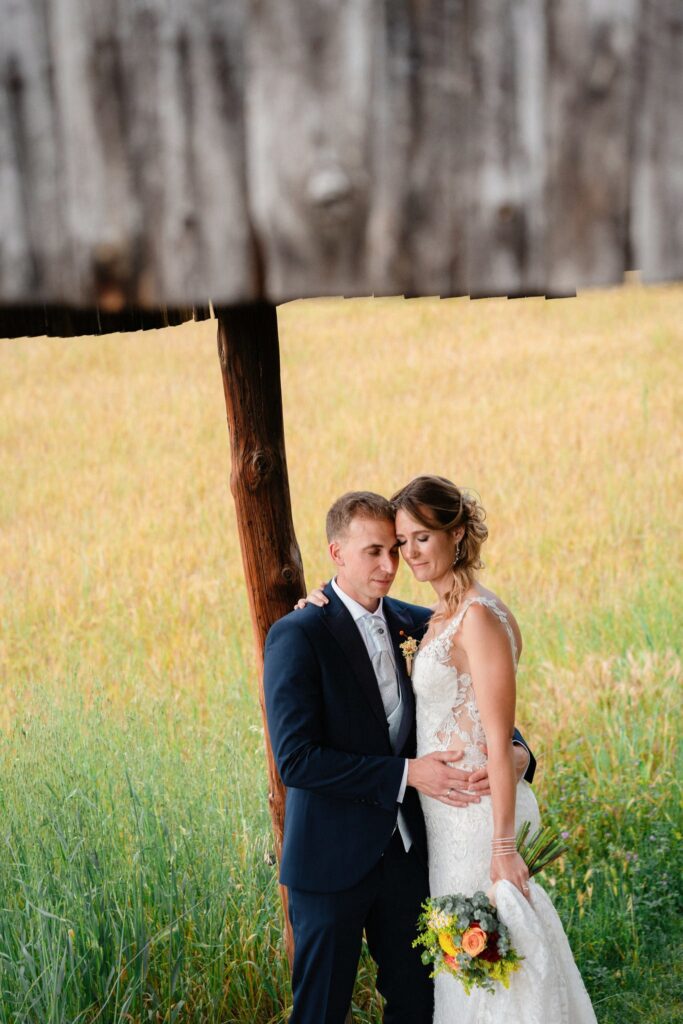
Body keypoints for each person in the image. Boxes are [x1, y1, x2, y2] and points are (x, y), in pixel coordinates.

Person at [264, 491, 534, 1024]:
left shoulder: (419, 623)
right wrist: (407, 773)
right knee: (320, 1011)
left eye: (396, 549)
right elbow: (296, 760)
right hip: (330, 862)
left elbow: (474, 702)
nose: (390, 566)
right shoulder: (297, 634)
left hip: (410, 862)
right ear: (336, 553)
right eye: (373, 552)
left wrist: (519, 751)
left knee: (419, 1006)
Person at [390, 475, 597, 1023]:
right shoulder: (437, 615)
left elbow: (501, 738)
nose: (409, 553)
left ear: (456, 533)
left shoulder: (478, 617)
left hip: (480, 820)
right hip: (448, 821)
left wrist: (503, 847)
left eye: (422, 538)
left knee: (494, 962)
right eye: (401, 541)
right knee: (473, 969)